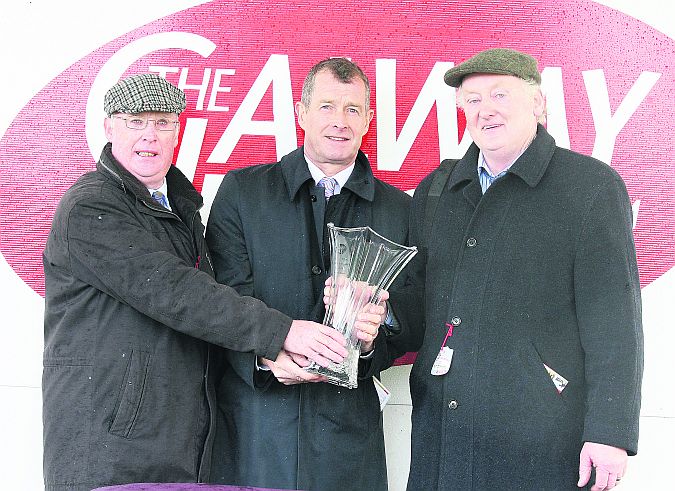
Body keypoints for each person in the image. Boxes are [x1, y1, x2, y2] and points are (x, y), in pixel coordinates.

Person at [42, 73, 349, 491]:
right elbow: (177, 293)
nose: (149, 136)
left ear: (177, 132)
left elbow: (206, 318)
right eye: (135, 122)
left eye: (163, 122)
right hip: (112, 451)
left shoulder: (179, 208)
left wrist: (268, 359)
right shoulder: (91, 206)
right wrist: (282, 332)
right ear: (109, 127)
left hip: (176, 445)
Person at [403, 48, 643, 491]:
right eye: (472, 100)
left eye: (500, 94)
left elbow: (615, 324)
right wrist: (368, 323)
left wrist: (609, 433)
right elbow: (417, 305)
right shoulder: (437, 190)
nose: (485, 110)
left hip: (543, 443)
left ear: (538, 104)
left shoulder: (591, 189)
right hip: (444, 436)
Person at [205, 58, 417, 491]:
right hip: (257, 428)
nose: (339, 121)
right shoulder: (242, 193)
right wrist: (264, 357)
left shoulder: (401, 210)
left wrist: (381, 325)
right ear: (301, 113)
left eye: (352, 109)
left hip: (346, 439)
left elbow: (416, 316)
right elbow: (219, 303)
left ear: (368, 121)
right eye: (326, 106)